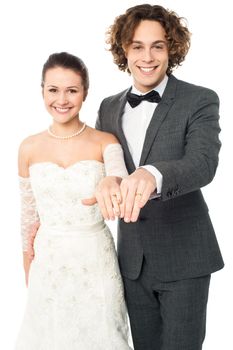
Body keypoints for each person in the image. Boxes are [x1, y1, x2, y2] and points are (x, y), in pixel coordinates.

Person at [92, 4, 224, 350]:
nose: (146, 57)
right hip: (131, 262)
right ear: (124, 50)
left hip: (186, 257)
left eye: (157, 46)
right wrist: (104, 180)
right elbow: (101, 164)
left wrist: (153, 173)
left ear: (172, 49)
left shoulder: (199, 100)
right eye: (137, 46)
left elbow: (203, 162)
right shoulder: (108, 107)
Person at [15, 52, 132, 349]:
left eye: (72, 90)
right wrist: (32, 274)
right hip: (49, 266)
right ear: (42, 90)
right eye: (53, 89)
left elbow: (118, 177)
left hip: (95, 261)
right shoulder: (28, 147)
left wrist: (112, 181)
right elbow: (28, 220)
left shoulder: (105, 141)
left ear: (85, 92)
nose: (62, 99)